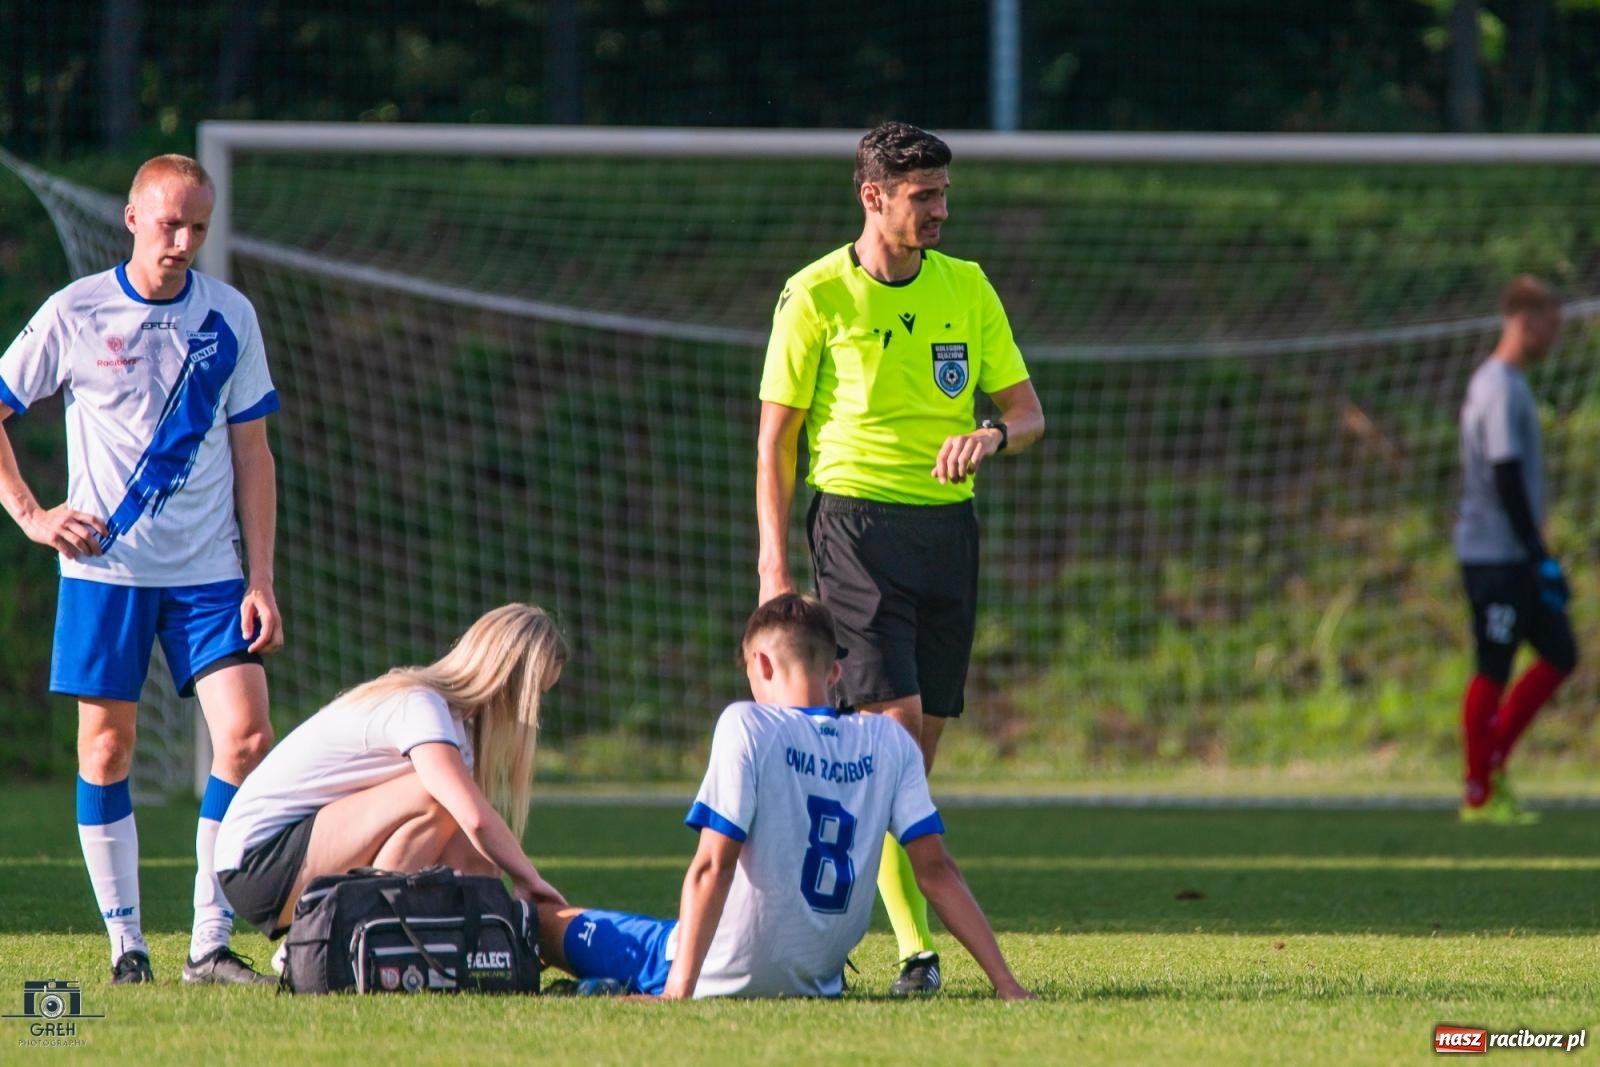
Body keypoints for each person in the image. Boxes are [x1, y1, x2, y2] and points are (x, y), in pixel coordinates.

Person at [754, 121, 1045, 994]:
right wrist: (774, 567)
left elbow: (1028, 412)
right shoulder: (814, 297)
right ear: (872, 197)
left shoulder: (968, 287)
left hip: (948, 534)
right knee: (893, 748)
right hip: (856, 528)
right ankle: (917, 952)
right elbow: (775, 442)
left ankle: (820, 908)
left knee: (909, 767)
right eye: (923, 197)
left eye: (945, 194)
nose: (940, 210)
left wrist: (989, 435)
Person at [0, 155, 284, 985]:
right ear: (132, 218)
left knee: (247, 735)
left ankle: (209, 941)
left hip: (209, 575)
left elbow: (254, 453)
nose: (184, 241)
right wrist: (34, 516)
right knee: (108, 749)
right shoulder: (76, 311)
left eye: (198, 226)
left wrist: (260, 576)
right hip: (105, 571)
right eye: (170, 224)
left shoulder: (230, 316)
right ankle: (128, 945)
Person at [535, 594, 1030, 1001]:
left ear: (762, 663)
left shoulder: (746, 724)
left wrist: (677, 994)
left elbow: (714, 866)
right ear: (834, 673)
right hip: (816, 981)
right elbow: (936, 871)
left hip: (709, 970)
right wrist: (1007, 984)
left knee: (544, 922)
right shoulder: (890, 741)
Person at [213, 603, 569, 945]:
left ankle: (440, 952)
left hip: (294, 855)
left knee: (478, 853)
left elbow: (473, 845)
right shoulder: (420, 705)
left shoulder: (456, 732)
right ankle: (342, 936)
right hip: (257, 863)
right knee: (438, 797)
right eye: (534, 694)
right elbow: (474, 817)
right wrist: (531, 879)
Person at [1455, 275, 1576, 825]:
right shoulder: (1499, 387)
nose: (1554, 338)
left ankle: (1492, 758)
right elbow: (1504, 474)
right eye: (1551, 326)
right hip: (1495, 555)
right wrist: (1537, 551)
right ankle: (1479, 791)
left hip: (1511, 553)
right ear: (1526, 320)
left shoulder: (1510, 384)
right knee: (1494, 664)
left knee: (1560, 653)